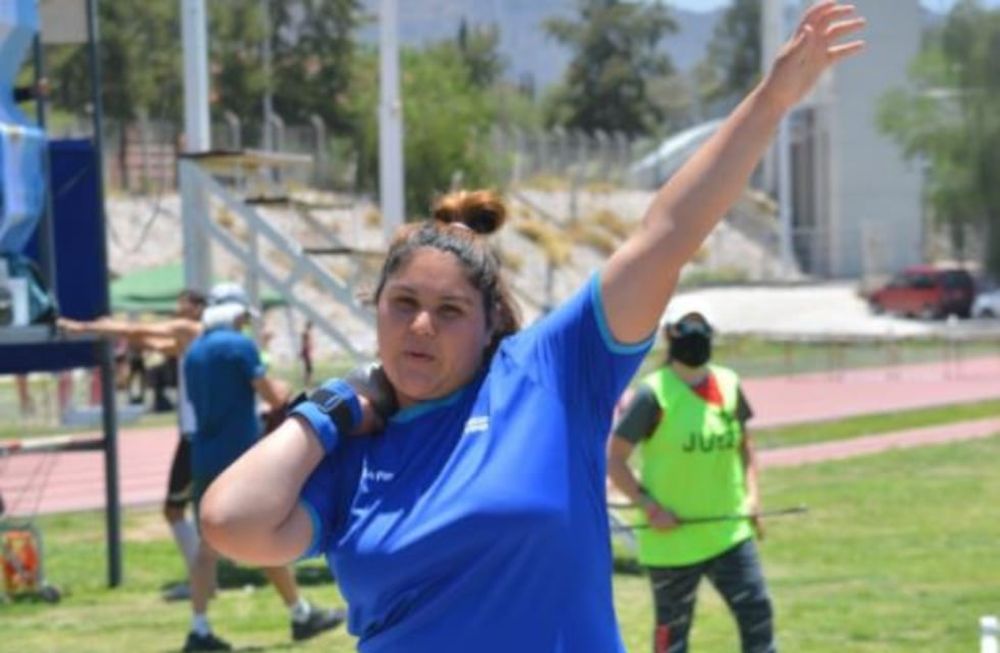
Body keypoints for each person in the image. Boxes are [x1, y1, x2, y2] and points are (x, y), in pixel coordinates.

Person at [197, 4, 865, 651]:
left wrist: (772, 102)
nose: (421, 325)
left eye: (450, 310)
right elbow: (231, 521)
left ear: (492, 326)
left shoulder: (550, 373)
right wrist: (329, 408)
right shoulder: (353, 446)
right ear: (376, 308)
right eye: (402, 303)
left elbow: (665, 234)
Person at [182, 282, 345, 652]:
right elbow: (273, 397)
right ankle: (301, 613)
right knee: (264, 538)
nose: (243, 324)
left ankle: (200, 626)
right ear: (234, 314)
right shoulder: (238, 346)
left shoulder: (194, 351)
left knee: (207, 547)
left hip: (204, 454)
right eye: (241, 317)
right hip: (240, 458)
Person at [608, 311, 770, 653]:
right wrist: (650, 507)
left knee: (758, 618)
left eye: (702, 327)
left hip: (730, 533)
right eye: (686, 327)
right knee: (672, 640)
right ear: (670, 335)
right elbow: (615, 460)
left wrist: (753, 498)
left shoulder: (728, 383)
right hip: (673, 542)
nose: (695, 334)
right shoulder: (653, 394)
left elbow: (745, 444)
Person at [59, 290, 209, 600]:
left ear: (197, 308)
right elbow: (152, 342)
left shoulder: (193, 329)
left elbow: (141, 332)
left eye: (181, 305)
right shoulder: (194, 338)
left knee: (178, 510)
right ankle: (203, 579)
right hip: (195, 434)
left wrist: (87, 327)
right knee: (187, 510)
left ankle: (204, 581)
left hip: (195, 437)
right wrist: (125, 337)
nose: (175, 311)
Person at [299, 320, 314, 387]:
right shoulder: (306, 333)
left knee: (308, 368)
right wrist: (303, 352)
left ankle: (308, 382)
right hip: (306, 352)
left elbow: (305, 343)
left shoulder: (306, 333)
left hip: (307, 352)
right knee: (308, 368)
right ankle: (308, 383)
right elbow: (304, 343)